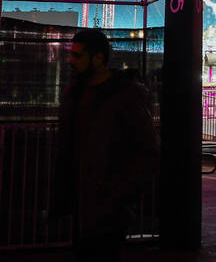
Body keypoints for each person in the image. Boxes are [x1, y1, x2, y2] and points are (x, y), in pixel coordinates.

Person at [52, 29, 158, 261]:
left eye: (77, 56)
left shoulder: (125, 96)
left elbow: (147, 151)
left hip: (108, 206)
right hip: (84, 201)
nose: (70, 60)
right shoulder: (76, 92)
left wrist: (119, 195)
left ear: (98, 58)